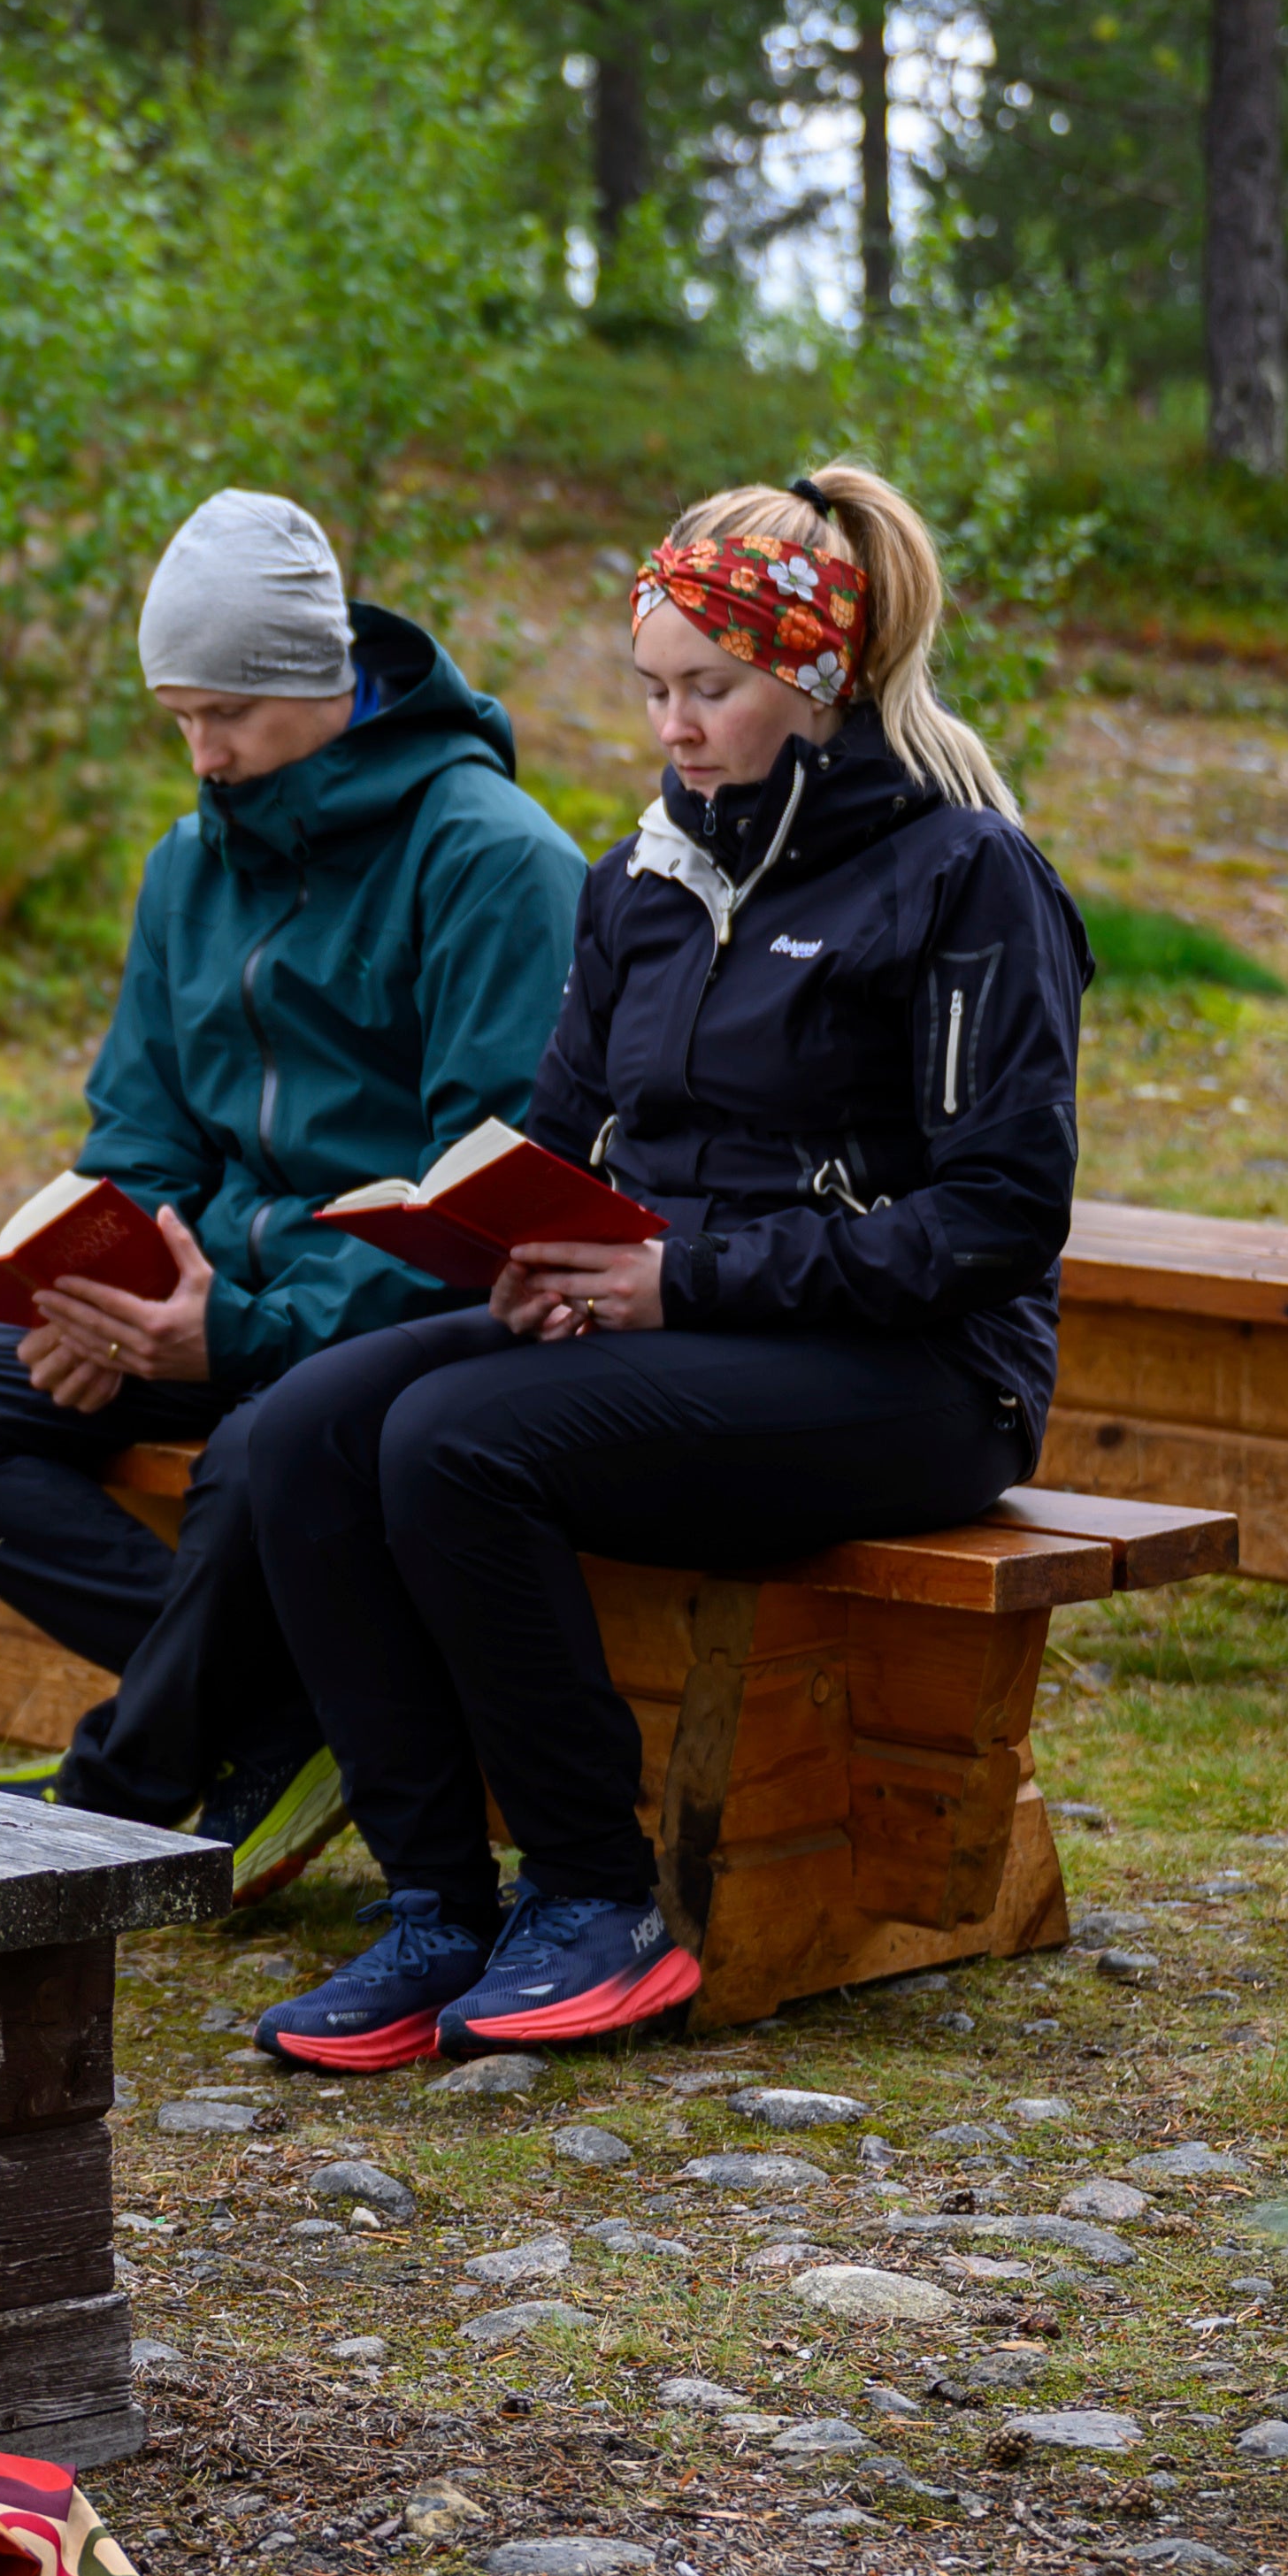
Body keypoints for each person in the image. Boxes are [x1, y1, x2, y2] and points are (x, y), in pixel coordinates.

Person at [239, 464, 1089, 2071]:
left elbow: (995, 1216)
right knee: (303, 1426)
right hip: (691, 1324)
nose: (672, 727)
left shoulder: (964, 872)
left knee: (455, 1443)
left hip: (924, 1373)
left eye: (710, 688)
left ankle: (594, 1900)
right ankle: (431, 1910)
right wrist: (509, 1244)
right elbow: (561, 1136)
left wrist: (677, 1281)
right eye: (651, 690)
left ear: (818, 677)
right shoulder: (634, 875)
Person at [0, 489, 580, 1862]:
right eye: (180, 718)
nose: (204, 753)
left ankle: (119, 1794)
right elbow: (140, 1131)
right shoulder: (186, 863)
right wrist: (87, 1294)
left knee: (261, 1450)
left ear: (323, 685)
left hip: (387, 1329)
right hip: (203, 1311)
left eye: (228, 715)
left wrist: (233, 1334)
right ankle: (288, 1704)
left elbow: (478, 1201)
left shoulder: (491, 861)